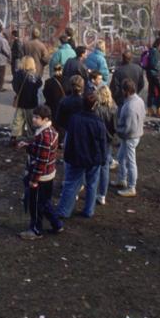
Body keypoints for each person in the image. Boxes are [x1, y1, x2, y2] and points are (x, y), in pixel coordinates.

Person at [56, 93, 108, 218]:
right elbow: (102, 142)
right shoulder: (98, 122)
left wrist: (67, 155)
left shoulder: (74, 119)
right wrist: (102, 159)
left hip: (76, 156)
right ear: (95, 106)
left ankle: (64, 210)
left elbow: (70, 139)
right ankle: (89, 210)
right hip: (93, 158)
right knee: (92, 184)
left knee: (71, 183)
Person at [17, 105, 63, 239]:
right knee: (45, 202)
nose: (34, 119)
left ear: (45, 119)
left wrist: (34, 180)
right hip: (48, 174)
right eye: (34, 116)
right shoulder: (50, 131)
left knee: (35, 205)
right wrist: (28, 146)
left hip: (41, 177)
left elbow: (41, 160)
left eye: (37, 118)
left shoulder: (44, 136)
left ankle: (36, 230)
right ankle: (57, 224)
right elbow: (41, 150)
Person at [114, 79, 146, 198]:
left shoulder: (130, 107)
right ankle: (122, 179)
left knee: (131, 162)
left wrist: (117, 131)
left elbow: (128, 128)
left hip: (130, 137)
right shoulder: (139, 100)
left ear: (126, 91)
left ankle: (131, 187)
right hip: (134, 134)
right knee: (121, 157)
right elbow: (143, 115)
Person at [11, 56, 42, 140]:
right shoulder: (35, 76)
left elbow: (15, 87)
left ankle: (14, 137)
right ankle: (31, 138)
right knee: (31, 122)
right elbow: (39, 86)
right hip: (32, 102)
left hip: (21, 102)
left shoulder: (18, 74)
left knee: (17, 121)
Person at [145, 38, 160, 119]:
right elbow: (154, 65)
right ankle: (159, 109)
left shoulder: (152, 50)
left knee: (151, 91)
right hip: (154, 75)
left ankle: (150, 109)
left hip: (150, 74)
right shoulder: (155, 52)